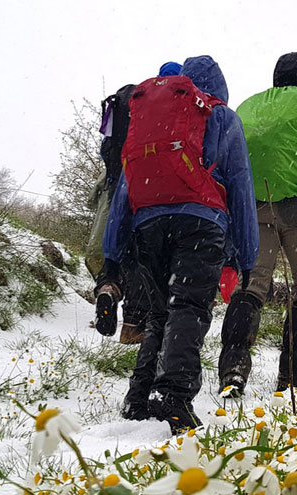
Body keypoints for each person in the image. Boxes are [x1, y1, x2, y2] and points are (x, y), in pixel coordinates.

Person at [100, 55, 257, 433]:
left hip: (148, 222)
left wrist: (112, 254)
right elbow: (240, 187)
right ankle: (174, 394)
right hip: (201, 223)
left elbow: (125, 186)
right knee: (189, 306)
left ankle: (138, 396)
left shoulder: (153, 121)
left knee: (158, 312)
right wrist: (246, 255)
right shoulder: (221, 116)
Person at [219, 51, 297, 395]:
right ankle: (294, 371)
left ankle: (233, 367)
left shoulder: (253, 105)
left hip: (258, 206)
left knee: (250, 288)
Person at [91, 61, 182, 344]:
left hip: (117, 179)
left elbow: (106, 144)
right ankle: (133, 326)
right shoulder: (176, 101)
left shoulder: (132, 97)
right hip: (146, 185)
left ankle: (109, 286)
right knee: (144, 256)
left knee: (118, 250)